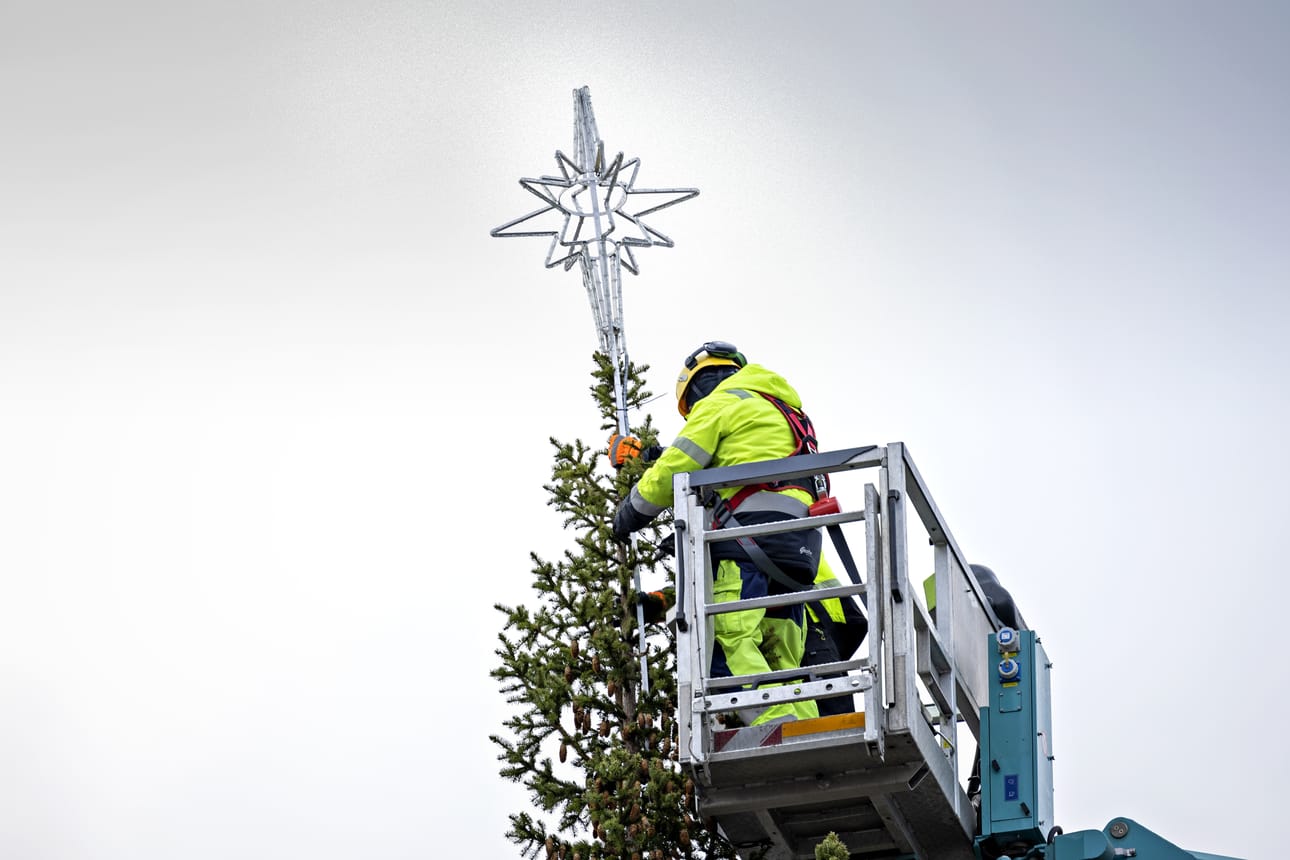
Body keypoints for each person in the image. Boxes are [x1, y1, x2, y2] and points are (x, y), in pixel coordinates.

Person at [611, 341, 824, 726]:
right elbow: (736, 463)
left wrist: (628, 513)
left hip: (749, 546)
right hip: (800, 550)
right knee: (783, 658)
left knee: (728, 640)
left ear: (696, 390)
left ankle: (777, 730)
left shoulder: (717, 404)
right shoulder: (783, 410)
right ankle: (810, 727)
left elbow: (674, 469)